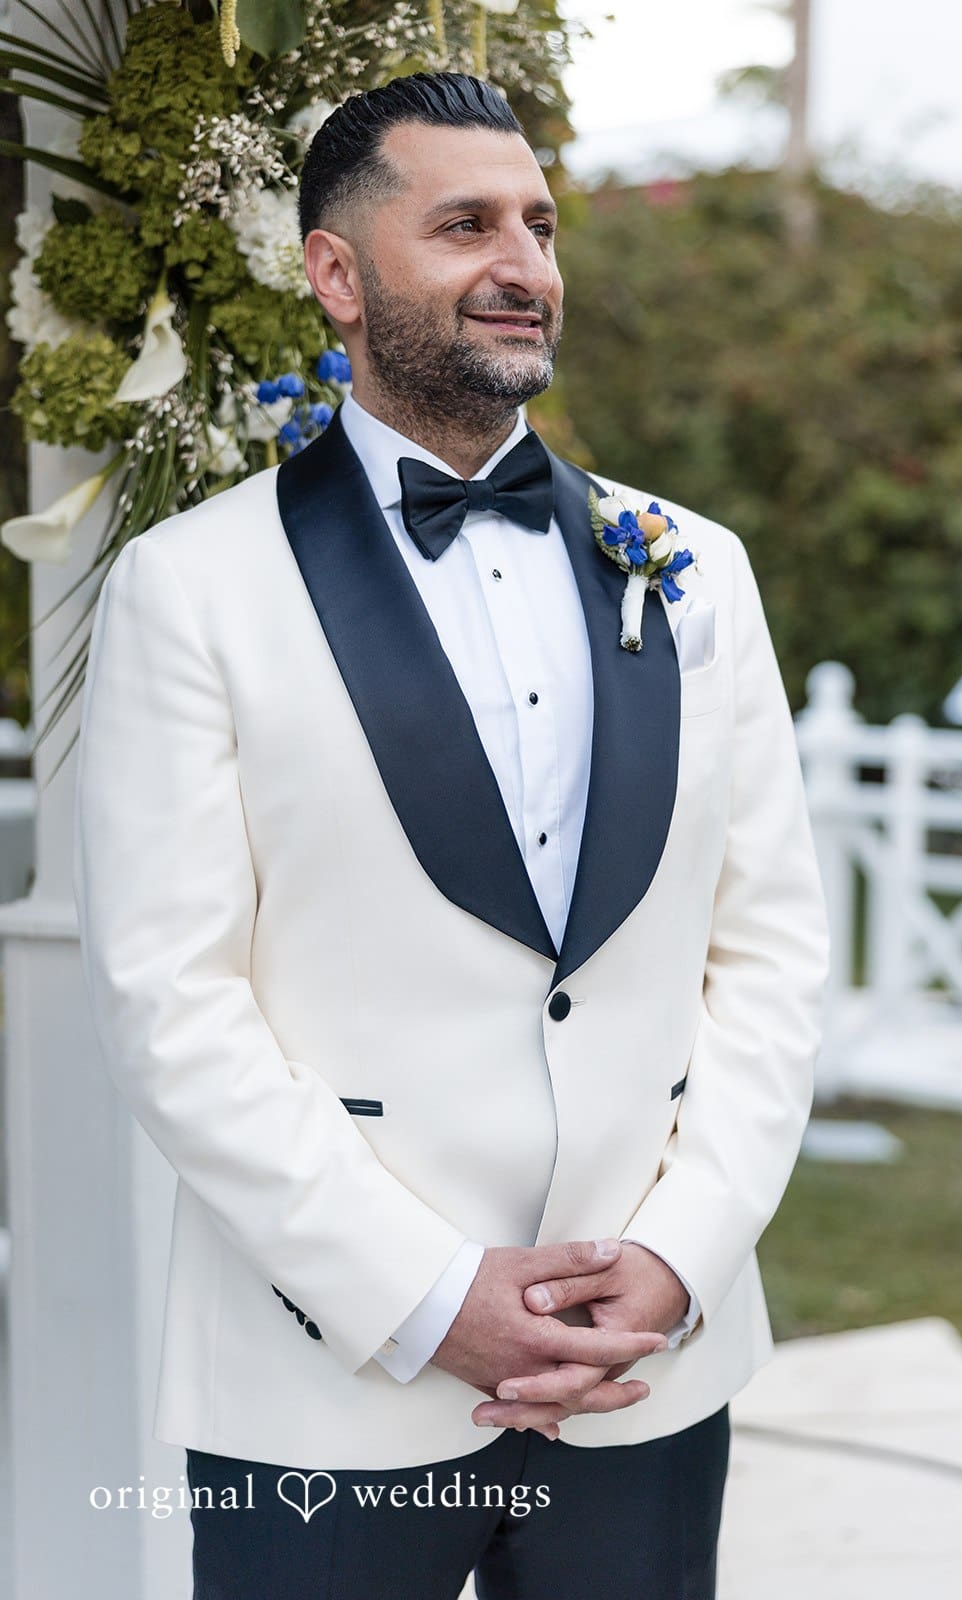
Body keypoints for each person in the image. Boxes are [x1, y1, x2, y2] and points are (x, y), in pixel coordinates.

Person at [72, 70, 830, 1600]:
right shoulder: (191, 590)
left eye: (540, 226)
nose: (524, 265)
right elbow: (173, 1000)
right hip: (329, 1379)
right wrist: (425, 1296)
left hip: (647, 1375)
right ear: (337, 275)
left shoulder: (697, 572)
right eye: (466, 223)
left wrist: (678, 1256)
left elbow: (771, 952)